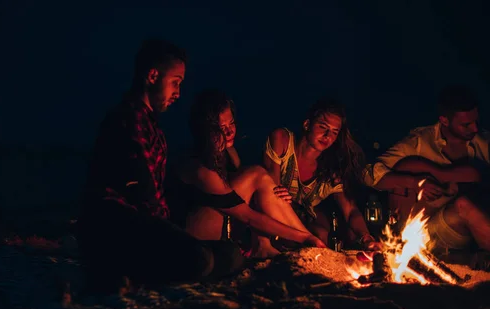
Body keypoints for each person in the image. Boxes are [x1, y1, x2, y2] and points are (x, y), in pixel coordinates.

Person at [77, 39, 244, 293]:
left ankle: (150, 268)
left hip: (146, 225)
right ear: (153, 76)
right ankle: (123, 268)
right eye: (175, 82)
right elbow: (141, 193)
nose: (178, 92)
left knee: (230, 253)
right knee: (201, 258)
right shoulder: (126, 120)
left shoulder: (152, 126)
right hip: (118, 226)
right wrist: (169, 234)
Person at [170, 89, 327, 259]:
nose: (230, 132)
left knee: (260, 182)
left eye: (231, 124)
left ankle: (264, 246)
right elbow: (247, 216)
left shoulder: (229, 152)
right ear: (204, 130)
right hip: (192, 241)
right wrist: (304, 237)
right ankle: (310, 242)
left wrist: (274, 194)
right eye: (221, 128)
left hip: (226, 230)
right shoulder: (197, 166)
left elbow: (250, 199)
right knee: (257, 175)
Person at [364, 85, 490, 252]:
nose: (474, 128)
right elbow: (369, 173)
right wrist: (416, 182)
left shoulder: (483, 141)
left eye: (476, 122)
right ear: (444, 120)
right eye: (466, 124)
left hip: (458, 223)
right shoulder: (419, 142)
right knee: (463, 206)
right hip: (422, 229)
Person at [260, 98, 383, 253]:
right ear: (307, 125)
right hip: (269, 214)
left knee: (322, 234)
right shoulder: (283, 141)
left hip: (301, 222)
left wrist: (366, 237)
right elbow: (270, 188)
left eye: (334, 132)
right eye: (322, 127)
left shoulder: (330, 169)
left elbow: (350, 210)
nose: (327, 136)